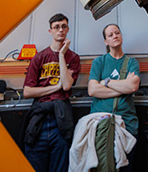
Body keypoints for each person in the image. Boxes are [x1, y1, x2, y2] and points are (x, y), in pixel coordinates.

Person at [22, 13, 81, 172]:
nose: (60, 30)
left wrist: (61, 54)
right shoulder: (39, 57)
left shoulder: (73, 57)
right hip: (39, 118)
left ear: (67, 29)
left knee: (60, 167)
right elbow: (27, 92)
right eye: (56, 27)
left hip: (60, 119)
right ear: (50, 31)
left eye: (63, 27)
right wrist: (56, 87)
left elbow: (67, 85)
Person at [87, 24, 140, 171]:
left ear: (121, 36)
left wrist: (107, 82)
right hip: (102, 125)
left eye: (117, 33)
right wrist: (123, 88)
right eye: (110, 35)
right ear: (106, 41)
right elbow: (92, 90)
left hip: (127, 125)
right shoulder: (99, 62)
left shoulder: (131, 62)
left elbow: (132, 87)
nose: (115, 36)